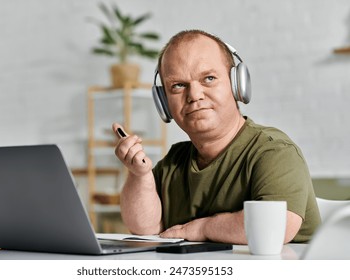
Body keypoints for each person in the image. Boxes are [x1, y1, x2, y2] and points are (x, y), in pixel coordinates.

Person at [112, 29, 320, 244]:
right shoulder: (175, 160)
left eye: (209, 78)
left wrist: (202, 228)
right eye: (178, 85)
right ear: (164, 102)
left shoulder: (274, 151)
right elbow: (144, 227)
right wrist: (139, 174)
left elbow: (275, 228)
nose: (194, 95)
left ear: (238, 85)